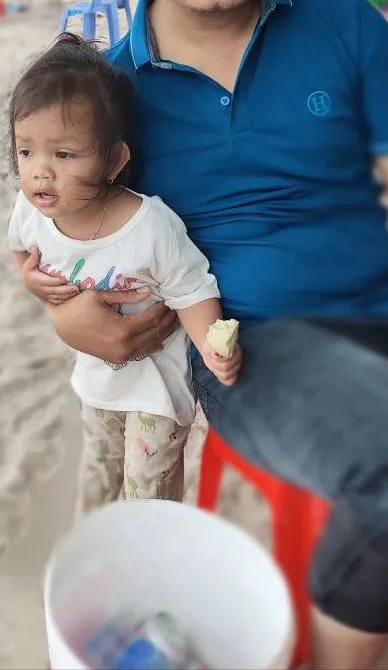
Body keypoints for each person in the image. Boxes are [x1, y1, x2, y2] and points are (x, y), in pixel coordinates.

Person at [17, 0, 388, 667]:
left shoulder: (345, 24)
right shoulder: (106, 100)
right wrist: (67, 312)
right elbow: (67, 236)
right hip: (249, 342)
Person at [7, 32, 241, 510]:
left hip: (156, 388)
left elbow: (192, 289)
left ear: (114, 159)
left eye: (64, 154)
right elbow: (20, 250)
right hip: (96, 378)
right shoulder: (30, 212)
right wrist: (30, 282)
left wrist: (212, 347)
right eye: (26, 151)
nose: (39, 173)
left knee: (146, 491)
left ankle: (145, 570)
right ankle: (88, 561)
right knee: (97, 473)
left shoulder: (150, 226)